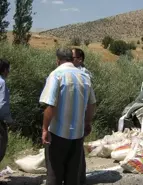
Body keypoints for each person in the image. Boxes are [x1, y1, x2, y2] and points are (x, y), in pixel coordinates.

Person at [39, 47, 96, 185]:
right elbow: (92, 104)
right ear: (71, 59)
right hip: (77, 134)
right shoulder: (84, 76)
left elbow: (50, 105)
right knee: (73, 174)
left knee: (54, 173)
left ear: (58, 60)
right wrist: (87, 122)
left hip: (58, 133)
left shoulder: (56, 75)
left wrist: (45, 129)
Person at [72, 48, 91, 185]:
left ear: (80, 59)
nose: (70, 60)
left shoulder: (84, 75)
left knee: (77, 148)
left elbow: (90, 100)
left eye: (72, 57)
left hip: (79, 117)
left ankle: (79, 178)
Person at [0, 59, 13, 163]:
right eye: (8, 69)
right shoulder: (2, 82)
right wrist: (9, 120)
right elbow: (3, 104)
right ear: (4, 70)